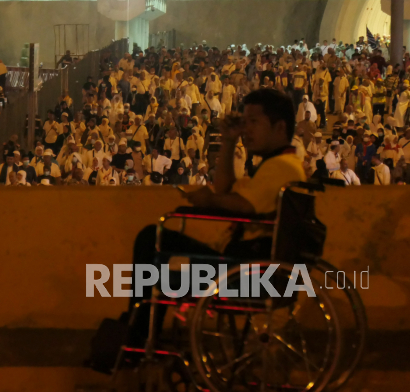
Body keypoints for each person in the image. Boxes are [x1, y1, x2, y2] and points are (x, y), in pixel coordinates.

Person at [129, 88, 305, 344]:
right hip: (248, 264)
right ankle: (140, 333)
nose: (247, 129)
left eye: (254, 122)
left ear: (279, 127)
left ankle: (137, 336)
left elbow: (240, 205)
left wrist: (207, 200)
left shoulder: (281, 168)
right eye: (245, 123)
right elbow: (225, 188)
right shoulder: (279, 165)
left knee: (152, 241)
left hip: (246, 270)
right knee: (156, 246)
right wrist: (230, 140)